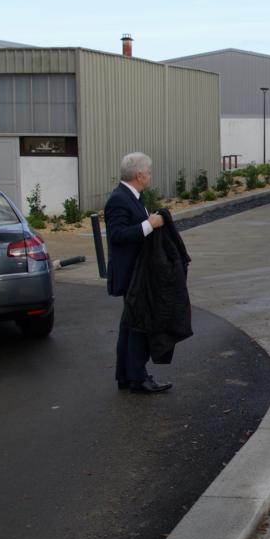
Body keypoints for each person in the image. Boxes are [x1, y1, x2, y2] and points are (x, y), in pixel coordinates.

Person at [106, 152, 172, 394]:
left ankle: (125, 375)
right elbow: (116, 236)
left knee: (129, 325)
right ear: (139, 175)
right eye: (149, 172)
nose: (150, 176)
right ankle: (137, 377)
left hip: (138, 273)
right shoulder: (119, 199)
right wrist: (149, 224)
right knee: (138, 325)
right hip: (131, 275)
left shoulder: (133, 197)